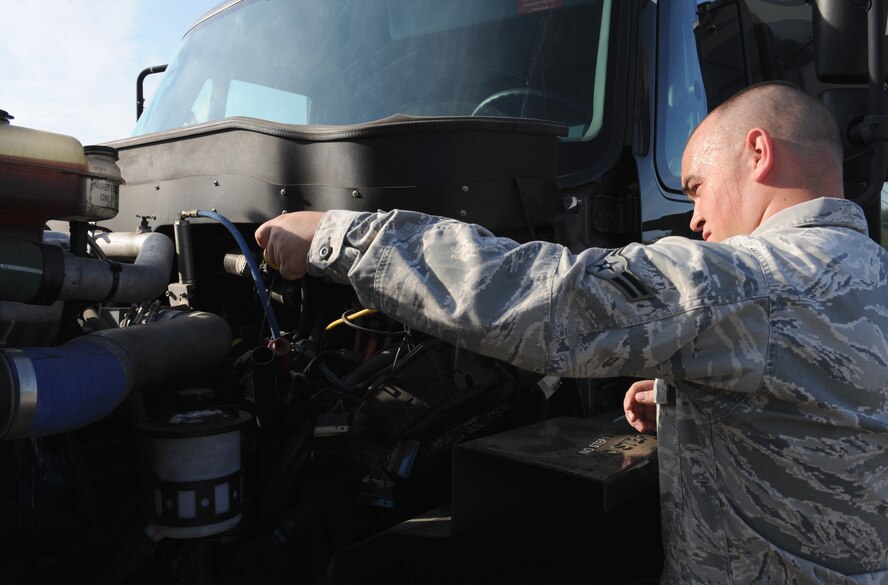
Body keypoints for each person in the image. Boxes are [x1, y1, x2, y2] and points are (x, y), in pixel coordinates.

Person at [255, 81, 888, 584]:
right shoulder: (863, 270)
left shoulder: (762, 279)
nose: (694, 217)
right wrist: (683, 403)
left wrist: (339, 236)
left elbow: (558, 298)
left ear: (758, 152)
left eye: (696, 185)